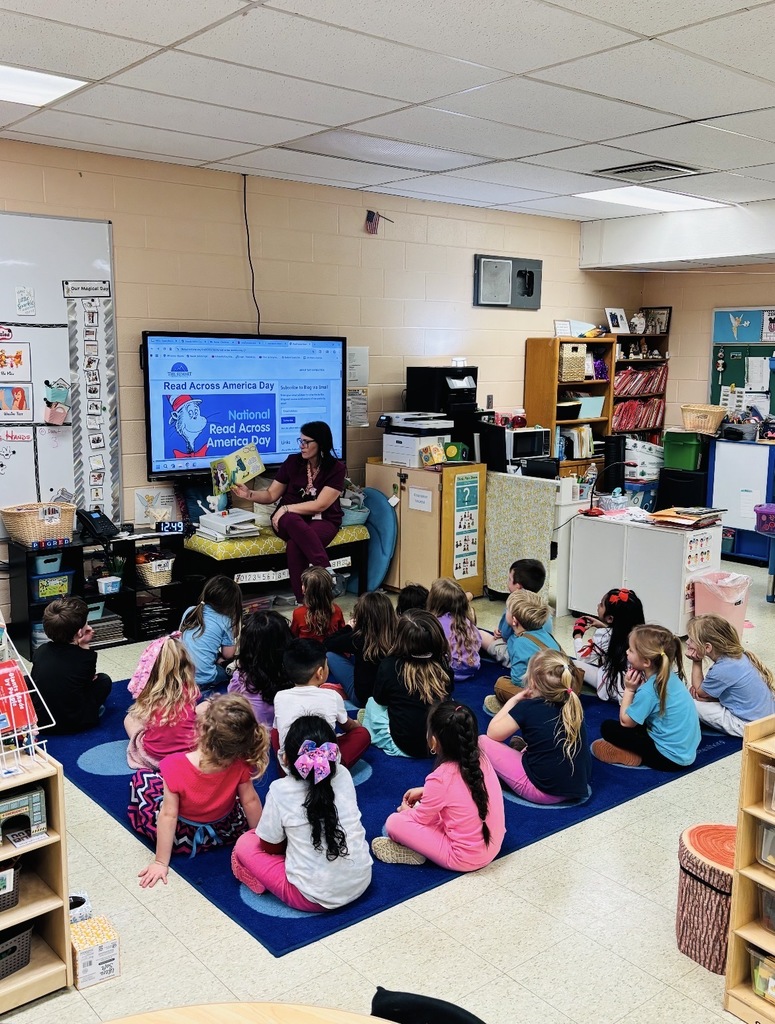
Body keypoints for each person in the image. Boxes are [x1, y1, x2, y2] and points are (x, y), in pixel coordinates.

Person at [231, 715, 372, 911]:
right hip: (362, 880)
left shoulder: (280, 790)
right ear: (333, 753)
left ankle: (262, 879)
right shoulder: (344, 775)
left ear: (286, 758)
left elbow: (270, 847)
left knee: (245, 843)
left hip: (311, 897)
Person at [130, 694, 268, 887]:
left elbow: (169, 815)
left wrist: (161, 862)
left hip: (183, 836)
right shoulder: (240, 763)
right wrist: (262, 843)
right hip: (225, 830)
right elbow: (250, 802)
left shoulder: (173, 764)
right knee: (235, 798)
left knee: (143, 779)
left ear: (201, 730)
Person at [372, 702, 505, 868]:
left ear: (434, 741)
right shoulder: (481, 759)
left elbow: (421, 818)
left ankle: (417, 849)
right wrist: (426, 792)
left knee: (394, 822)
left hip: (464, 858)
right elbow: (462, 792)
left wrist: (407, 811)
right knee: (438, 809)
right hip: (494, 843)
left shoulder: (440, 778)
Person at [232, 421, 347, 602]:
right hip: (287, 520)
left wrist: (286, 508)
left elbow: (321, 505)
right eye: (300, 441)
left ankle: (303, 602)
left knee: (295, 545)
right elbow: (271, 494)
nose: (302, 446)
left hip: (322, 519)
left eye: (307, 442)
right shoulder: (293, 462)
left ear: (321, 443)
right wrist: (249, 494)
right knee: (292, 521)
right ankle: (327, 571)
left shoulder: (336, 468)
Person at [480, 649, 591, 804]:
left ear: (532, 682)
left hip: (543, 791)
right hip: (577, 786)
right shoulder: (573, 706)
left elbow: (493, 733)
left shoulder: (528, 708)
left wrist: (514, 700)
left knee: (482, 742)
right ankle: (522, 752)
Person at [592, 625, 700, 770]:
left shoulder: (649, 691)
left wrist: (630, 690)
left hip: (667, 759)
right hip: (686, 752)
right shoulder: (669, 675)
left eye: (631, 650)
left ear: (646, 662)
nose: (626, 652)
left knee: (608, 727)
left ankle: (632, 755)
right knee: (641, 718)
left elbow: (626, 722)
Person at [361, 609, 454, 758]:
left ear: (400, 638)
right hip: (438, 743)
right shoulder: (443, 664)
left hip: (403, 745)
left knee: (372, 703)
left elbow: (380, 700)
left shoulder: (389, 665)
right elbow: (449, 691)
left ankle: (370, 728)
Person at [272, 639, 370, 768]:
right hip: (323, 766)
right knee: (362, 735)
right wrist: (358, 725)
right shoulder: (332, 696)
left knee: (275, 730)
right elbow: (349, 726)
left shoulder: (280, 696)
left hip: (290, 767)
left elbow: (277, 731)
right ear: (320, 673)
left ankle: (289, 767)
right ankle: (331, 771)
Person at [30, 596, 112, 734]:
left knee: (30, 680)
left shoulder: (40, 651)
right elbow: (87, 683)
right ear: (80, 632)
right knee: (104, 680)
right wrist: (85, 644)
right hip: (75, 723)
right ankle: (95, 712)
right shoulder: (86, 657)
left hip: (43, 722)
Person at [686, 614, 775, 737]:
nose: (687, 642)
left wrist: (696, 661)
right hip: (768, 718)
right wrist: (709, 696)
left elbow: (698, 693)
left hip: (749, 726)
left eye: (691, 639)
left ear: (707, 647)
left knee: (689, 702)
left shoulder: (722, 669)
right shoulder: (740, 656)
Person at [124, 635, 202, 770]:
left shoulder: (149, 696)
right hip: (188, 756)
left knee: (130, 719)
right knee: (205, 708)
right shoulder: (190, 691)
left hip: (153, 758)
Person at [483, 590, 560, 714]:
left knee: (501, 684)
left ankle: (529, 707)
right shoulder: (544, 633)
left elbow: (518, 680)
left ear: (514, 620)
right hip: (558, 684)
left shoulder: (519, 643)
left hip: (543, 693)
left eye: (507, 609)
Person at [572, 587, 645, 703]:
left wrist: (577, 634)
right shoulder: (644, 636)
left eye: (601, 604)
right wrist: (604, 626)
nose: (598, 605)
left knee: (572, 663)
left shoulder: (604, 636)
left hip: (614, 688)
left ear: (610, 618)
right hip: (637, 689)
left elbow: (582, 658)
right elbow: (618, 635)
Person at [325, 590, 398, 706]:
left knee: (330, 655)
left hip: (363, 699)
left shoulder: (358, 639)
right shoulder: (399, 636)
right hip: (391, 697)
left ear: (361, 617)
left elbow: (328, 643)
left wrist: (348, 627)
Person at [228, 610, 293, 729]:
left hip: (256, 738)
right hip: (288, 735)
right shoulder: (297, 674)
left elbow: (231, 700)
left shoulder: (242, 677)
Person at [479, 558, 547, 666]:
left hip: (517, 657)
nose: (508, 581)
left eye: (509, 579)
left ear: (518, 587)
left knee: (479, 634)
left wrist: (499, 632)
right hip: (541, 656)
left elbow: (505, 635)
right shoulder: (543, 608)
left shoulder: (513, 607)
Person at [179, 575, 242, 690]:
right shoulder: (225, 621)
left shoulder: (190, 611)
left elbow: (182, 639)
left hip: (180, 675)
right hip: (203, 679)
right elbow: (228, 654)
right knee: (233, 667)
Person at [426, 578, 481, 683]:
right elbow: (478, 642)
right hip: (472, 668)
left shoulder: (434, 623)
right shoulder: (466, 620)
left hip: (447, 672)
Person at [290, 566, 345, 643]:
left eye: (303, 584)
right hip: (331, 652)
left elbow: (293, 636)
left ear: (305, 590)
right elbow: (343, 634)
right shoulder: (336, 610)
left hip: (308, 652)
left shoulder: (298, 613)